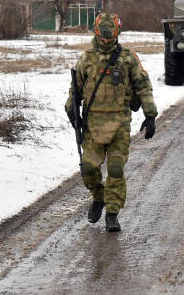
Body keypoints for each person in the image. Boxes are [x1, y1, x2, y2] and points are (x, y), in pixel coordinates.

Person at [65, 13, 157, 232]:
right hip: (93, 125)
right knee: (88, 169)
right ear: (97, 32)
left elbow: (143, 85)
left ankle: (112, 213)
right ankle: (99, 197)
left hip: (119, 124)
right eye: (104, 34)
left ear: (117, 33)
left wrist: (150, 114)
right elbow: (76, 89)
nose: (107, 39)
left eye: (111, 34)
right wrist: (71, 110)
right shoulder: (86, 58)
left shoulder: (127, 58)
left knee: (116, 168)